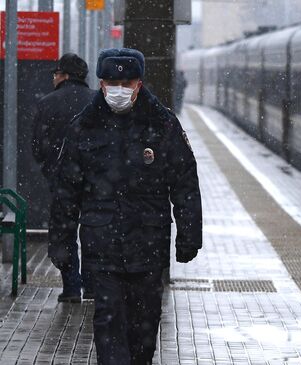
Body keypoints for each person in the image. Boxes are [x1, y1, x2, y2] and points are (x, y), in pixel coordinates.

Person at [48, 48, 203, 364]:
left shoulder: (162, 125)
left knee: (144, 333)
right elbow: (66, 192)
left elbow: (185, 183)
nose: (119, 88)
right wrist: (61, 243)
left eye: (127, 81)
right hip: (101, 247)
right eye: (112, 81)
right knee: (108, 324)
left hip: (147, 248)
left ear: (140, 83)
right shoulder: (84, 127)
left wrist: (190, 236)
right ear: (101, 83)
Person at [31, 53, 96, 303]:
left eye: (56, 74)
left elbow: (38, 147)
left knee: (64, 233)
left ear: (65, 76)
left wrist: (51, 167)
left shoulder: (47, 103)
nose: (54, 78)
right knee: (93, 231)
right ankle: (91, 287)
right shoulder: (97, 101)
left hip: (63, 180)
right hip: (97, 181)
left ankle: (71, 288)